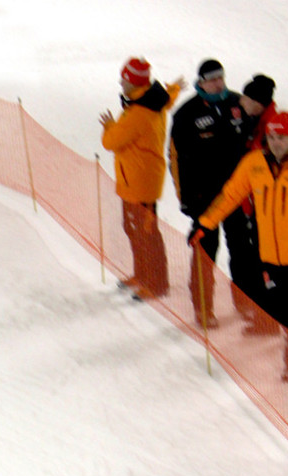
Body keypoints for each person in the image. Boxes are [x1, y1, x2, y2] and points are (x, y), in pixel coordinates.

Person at [191, 112, 288, 382]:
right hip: (272, 259)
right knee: (284, 315)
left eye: (282, 138)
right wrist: (205, 224)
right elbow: (230, 195)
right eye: (271, 137)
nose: (276, 143)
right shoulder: (254, 164)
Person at [169, 59, 249, 327]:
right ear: (201, 82)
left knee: (241, 251)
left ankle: (247, 304)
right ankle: (203, 307)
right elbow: (176, 158)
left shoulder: (238, 103)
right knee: (206, 252)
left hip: (237, 196)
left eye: (220, 77)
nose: (218, 83)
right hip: (204, 199)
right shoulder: (186, 113)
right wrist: (187, 199)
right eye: (212, 79)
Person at [100, 57, 184, 300]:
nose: (120, 83)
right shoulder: (154, 99)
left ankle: (156, 283)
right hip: (136, 182)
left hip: (139, 184)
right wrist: (174, 87)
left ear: (133, 83)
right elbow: (168, 98)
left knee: (146, 234)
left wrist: (109, 126)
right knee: (133, 229)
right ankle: (142, 274)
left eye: (124, 79)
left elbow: (111, 142)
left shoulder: (139, 112)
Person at [236, 74, 281, 334]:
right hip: (255, 207)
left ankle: (270, 321)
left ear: (258, 102)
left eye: (246, 98)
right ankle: (267, 316)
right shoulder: (258, 121)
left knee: (266, 266)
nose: (241, 101)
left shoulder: (270, 129)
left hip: (265, 211)